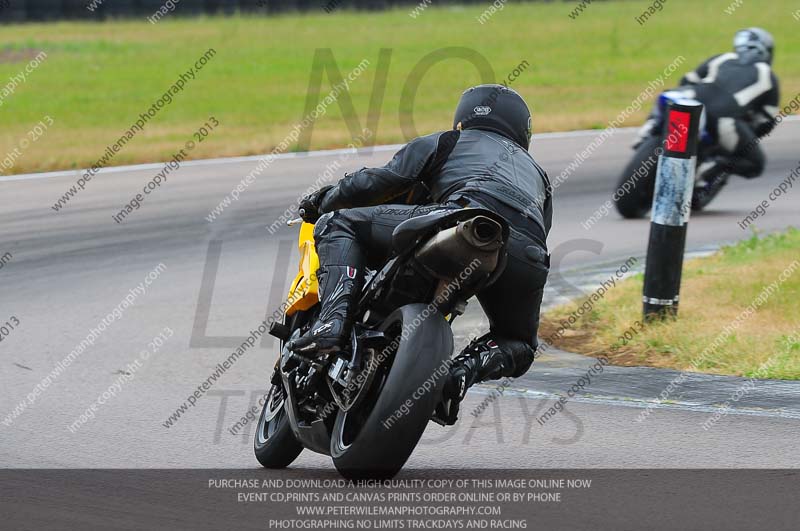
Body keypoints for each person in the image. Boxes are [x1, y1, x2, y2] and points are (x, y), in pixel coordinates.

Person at [286, 84, 552, 424]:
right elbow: (541, 228)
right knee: (519, 343)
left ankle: (331, 323)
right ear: (522, 131)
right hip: (526, 254)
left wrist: (322, 200)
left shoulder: (450, 141)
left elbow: (377, 182)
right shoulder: (540, 176)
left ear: (463, 118)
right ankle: (459, 375)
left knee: (338, 222)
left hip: (462, 216)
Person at [637, 27, 779, 193]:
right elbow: (766, 120)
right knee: (756, 164)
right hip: (724, 119)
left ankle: (650, 127)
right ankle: (709, 170)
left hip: (691, 98)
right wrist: (750, 131)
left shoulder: (722, 58)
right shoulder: (769, 75)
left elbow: (687, 80)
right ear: (766, 52)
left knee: (670, 96)